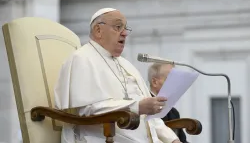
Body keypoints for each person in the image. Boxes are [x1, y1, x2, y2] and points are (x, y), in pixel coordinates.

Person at [54, 8, 182, 143]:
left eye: (126, 28)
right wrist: (136, 106)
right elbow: (87, 109)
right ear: (98, 30)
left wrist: (172, 139)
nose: (125, 33)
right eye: (118, 27)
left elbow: (148, 116)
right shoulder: (81, 58)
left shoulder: (127, 65)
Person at [148, 63, 189, 143]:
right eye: (171, 79)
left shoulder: (174, 112)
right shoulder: (145, 108)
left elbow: (182, 141)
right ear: (154, 82)